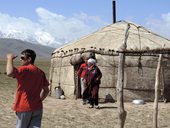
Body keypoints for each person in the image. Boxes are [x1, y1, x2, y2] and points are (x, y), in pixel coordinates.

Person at [6, 49, 49, 128]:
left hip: (24, 107)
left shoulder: (24, 69)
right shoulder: (41, 72)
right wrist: (39, 100)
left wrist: (9, 58)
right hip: (37, 107)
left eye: (22, 58)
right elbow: (46, 90)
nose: (20, 59)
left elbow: (9, 73)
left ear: (29, 59)